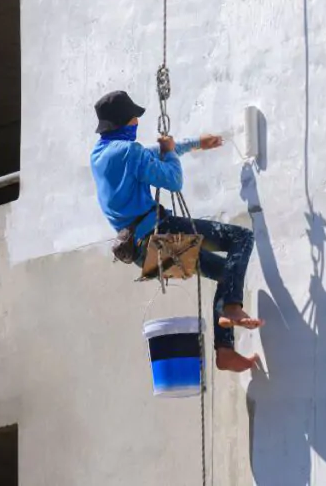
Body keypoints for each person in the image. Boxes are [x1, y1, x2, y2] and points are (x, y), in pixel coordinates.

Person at [89, 90, 263, 372]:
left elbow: (154, 153)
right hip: (160, 233)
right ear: (124, 122)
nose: (137, 124)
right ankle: (231, 308)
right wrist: (171, 153)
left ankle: (225, 351)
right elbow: (173, 180)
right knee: (242, 238)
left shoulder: (100, 155)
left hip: (143, 254)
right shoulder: (129, 152)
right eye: (134, 119)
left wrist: (195, 144)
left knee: (227, 272)